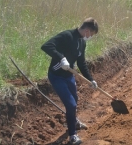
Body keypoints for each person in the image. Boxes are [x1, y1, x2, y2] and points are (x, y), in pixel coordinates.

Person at [41, 17, 99, 145]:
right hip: (56, 76)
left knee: (75, 100)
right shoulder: (67, 35)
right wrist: (61, 58)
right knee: (71, 104)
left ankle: (74, 121)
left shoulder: (82, 43)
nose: (91, 37)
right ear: (87, 30)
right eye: (92, 35)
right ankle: (72, 136)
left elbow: (81, 63)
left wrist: (91, 79)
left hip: (68, 76)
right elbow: (46, 46)